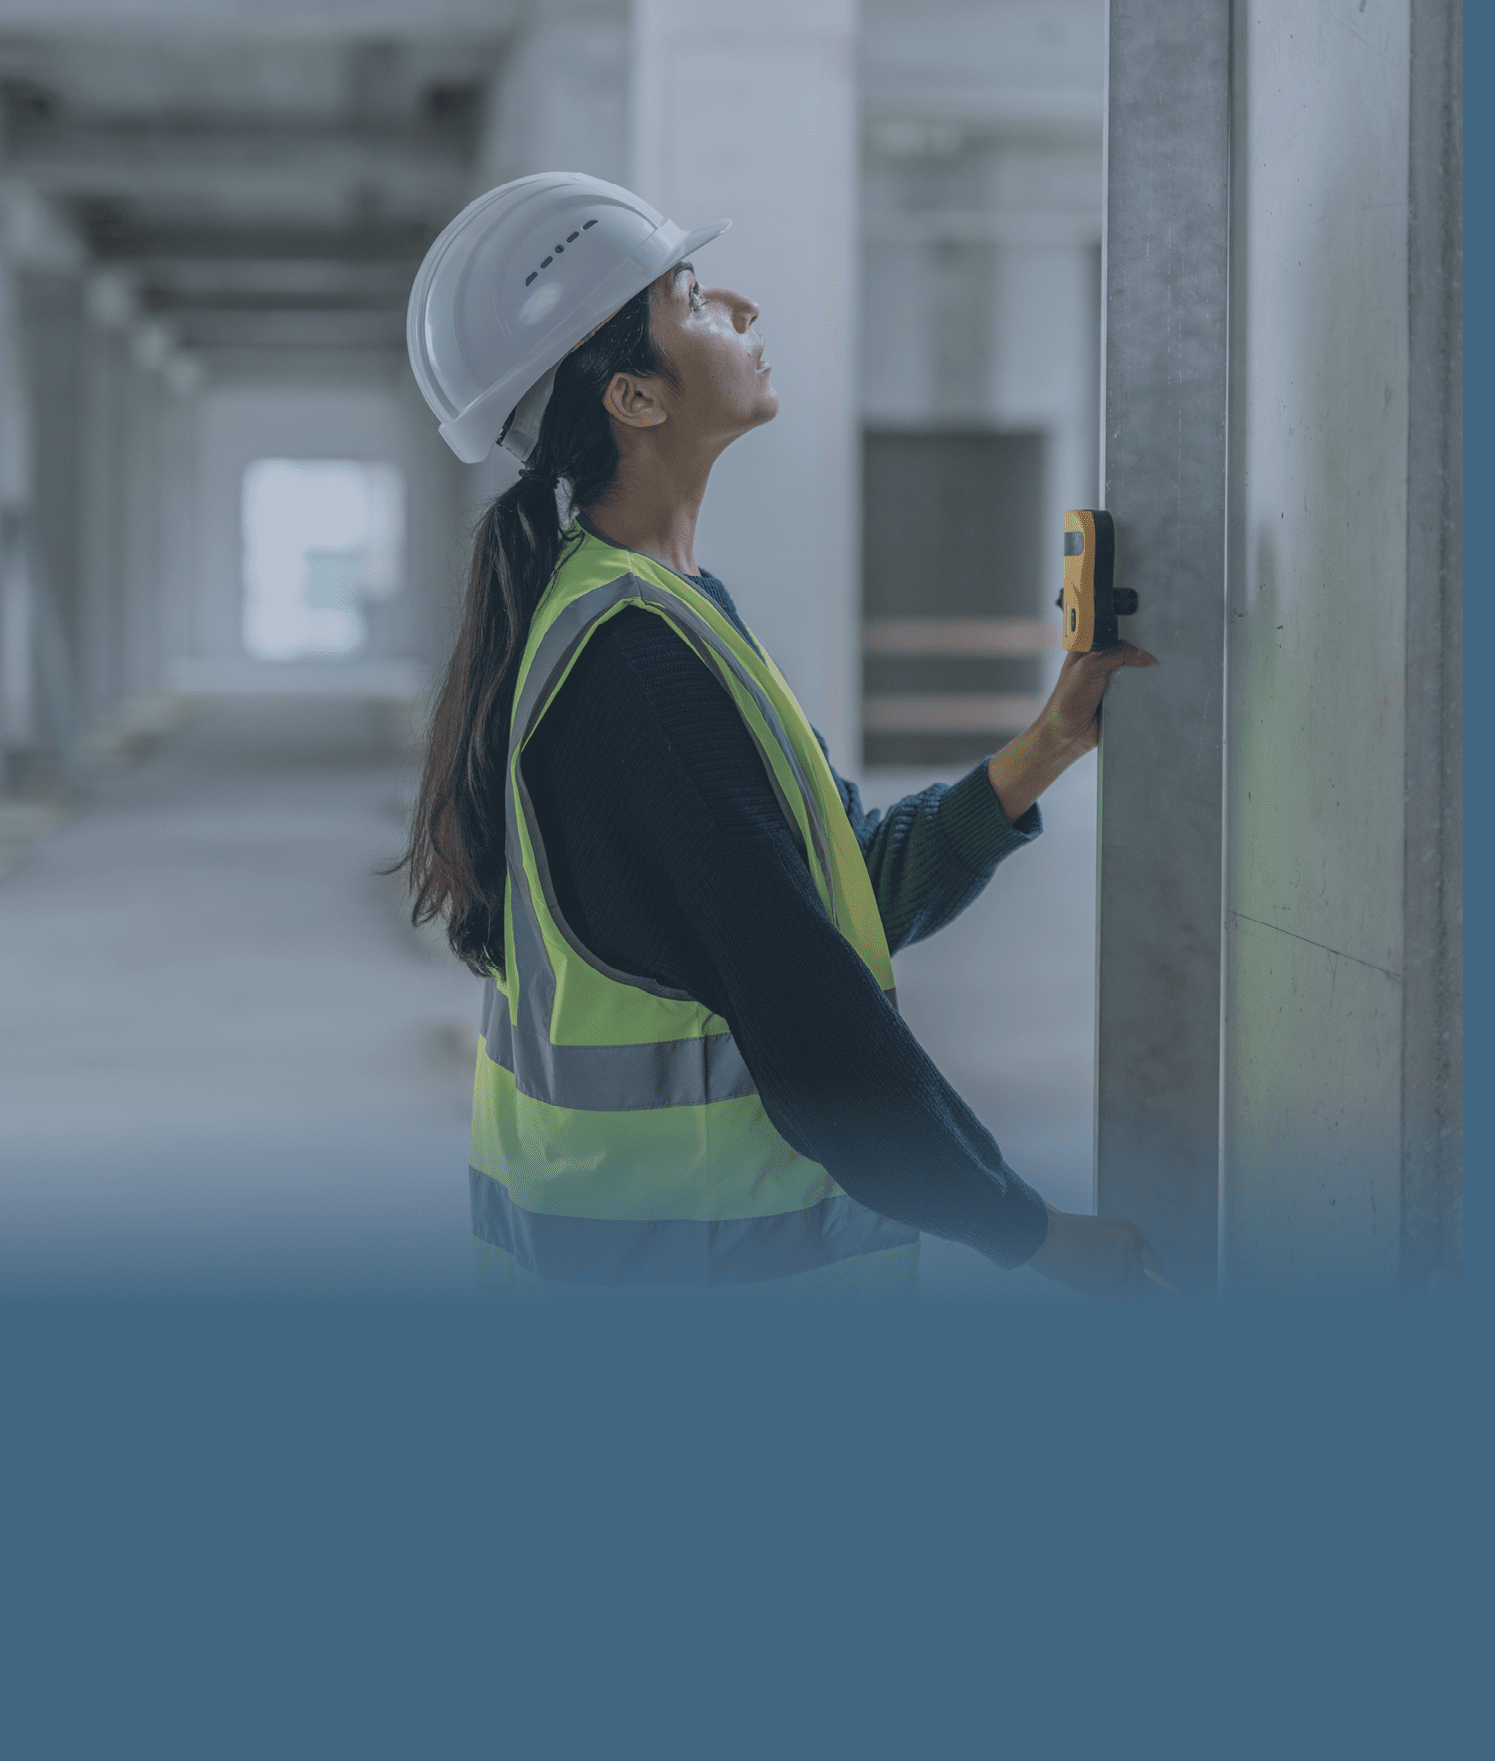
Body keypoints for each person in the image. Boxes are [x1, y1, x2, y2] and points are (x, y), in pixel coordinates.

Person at [399, 173, 1165, 1297]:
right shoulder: (632, 661)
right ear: (633, 397)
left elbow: (839, 900)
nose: (741, 307)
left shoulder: (657, 612)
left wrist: (1047, 743)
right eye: (692, 298)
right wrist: (1030, 1231)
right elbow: (815, 1026)